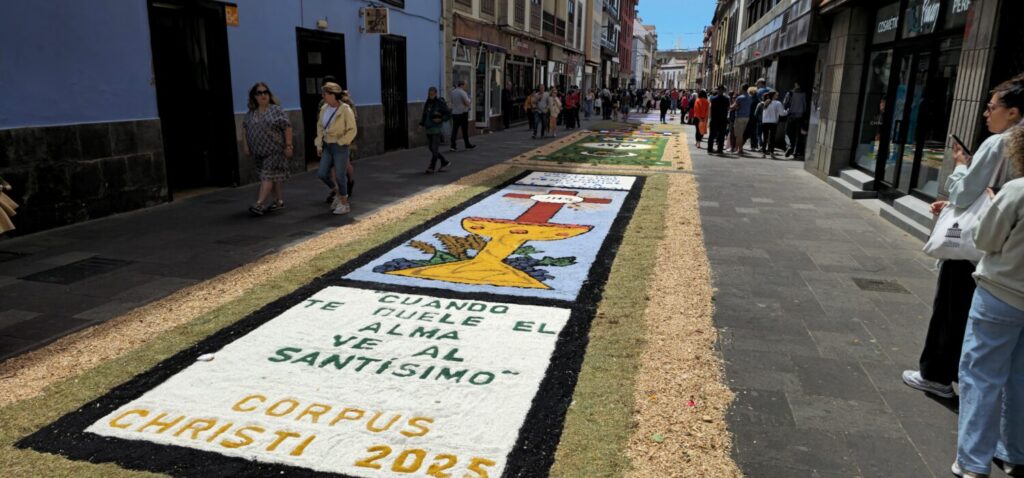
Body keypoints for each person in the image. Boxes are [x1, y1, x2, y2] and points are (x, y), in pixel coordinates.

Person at [904, 75, 1024, 405]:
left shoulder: (998, 142)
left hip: (974, 246)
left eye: (991, 107)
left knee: (951, 308)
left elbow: (965, 191)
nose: (986, 114)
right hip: (1012, 252)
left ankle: (936, 376)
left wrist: (960, 167)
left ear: (1012, 112)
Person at [953, 122, 1024, 478]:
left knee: (981, 376)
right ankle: (1015, 452)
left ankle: (972, 462)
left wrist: (995, 206)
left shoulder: (1017, 190)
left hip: (1002, 293)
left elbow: (985, 238)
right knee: (1020, 378)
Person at [242, 83, 293, 216]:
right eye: (260, 93)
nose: (263, 95)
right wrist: (246, 146)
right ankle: (278, 201)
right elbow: (245, 129)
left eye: (265, 92)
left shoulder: (276, 110)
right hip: (259, 152)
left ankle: (259, 204)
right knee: (272, 177)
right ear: (254, 96)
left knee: (267, 176)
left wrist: (288, 145)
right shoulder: (251, 114)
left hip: (274, 150)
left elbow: (287, 127)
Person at [315, 82, 357, 215]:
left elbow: (352, 129)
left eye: (325, 94)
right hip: (327, 145)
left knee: (340, 175)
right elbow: (320, 127)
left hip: (340, 146)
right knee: (322, 173)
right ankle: (338, 194)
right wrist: (319, 144)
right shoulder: (324, 108)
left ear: (333, 95)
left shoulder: (345, 109)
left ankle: (344, 204)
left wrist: (342, 141)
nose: (323, 96)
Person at [419, 86, 452, 174]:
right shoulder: (427, 102)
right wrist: (421, 124)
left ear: (436, 94)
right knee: (431, 148)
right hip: (428, 128)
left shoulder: (440, 103)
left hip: (436, 128)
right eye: (430, 94)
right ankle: (444, 162)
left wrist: (441, 119)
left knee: (434, 148)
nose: (431, 96)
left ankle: (431, 167)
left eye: (432, 94)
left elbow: (448, 113)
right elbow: (424, 114)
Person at [449, 80, 476, 151]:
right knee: (464, 130)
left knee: (454, 129)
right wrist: (470, 99)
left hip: (455, 113)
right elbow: (467, 103)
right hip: (462, 113)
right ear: (462, 85)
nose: (466, 86)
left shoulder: (453, 92)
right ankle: (467, 145)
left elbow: (452, 101)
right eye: (466, 85)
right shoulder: (463, 92)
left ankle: (453, 145)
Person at [784, 82, 808, 158]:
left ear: (795, 85)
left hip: (791, 115)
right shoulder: (804, 94)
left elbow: (785, 103)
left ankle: (790, 146)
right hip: (800, 116)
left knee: (788, 131)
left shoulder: (790, 93)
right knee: (798, 134)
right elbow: (805, 106)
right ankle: (795, 152)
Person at [760, 91, 787, 157]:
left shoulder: (765, 102)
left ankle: (763, 152)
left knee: (765, 137)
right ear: (773, 96)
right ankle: (771, 152)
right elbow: (782, 113)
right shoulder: (777, 103)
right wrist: (787, 111)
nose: (777, 96)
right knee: (772, 138)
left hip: (765, 121)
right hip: (773, 122)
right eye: (776, 95)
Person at [708, 85, 731, 155]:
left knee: (712, 135)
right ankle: (720, 149)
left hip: (714, 119)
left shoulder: (713, 99)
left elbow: (710, 109)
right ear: (724, 91)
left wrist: (710, 117)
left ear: (717, 90)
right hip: (722, 119)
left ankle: (710, 148)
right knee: (721, 135)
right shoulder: (726, 99)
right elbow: (728, 108)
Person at [732, 85, 753, 156]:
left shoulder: (740, 98)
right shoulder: (750, 97)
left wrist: (729, 106)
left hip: (739, 117)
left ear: (742, 89)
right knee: (741, 134)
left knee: (739, 135)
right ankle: (738, 148)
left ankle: (739, 149)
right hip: (747, 117)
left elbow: (735, 107)